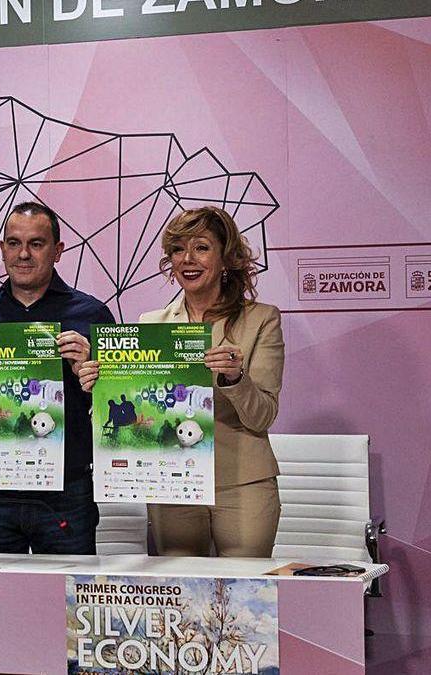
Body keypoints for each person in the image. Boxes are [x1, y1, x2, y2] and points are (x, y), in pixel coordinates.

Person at [78, 206, 285, 557]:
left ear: (226, 258)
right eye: (177, 250)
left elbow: (262, 415)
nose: (188, 259)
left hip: (241, 483)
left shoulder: (262, 320)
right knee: (179, 594)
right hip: (171, 482)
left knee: (243, 598)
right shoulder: (151, 324)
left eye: (202, 247)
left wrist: (236, 379)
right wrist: (98, 389)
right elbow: (133, 418)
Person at [0, 201, 114, 555]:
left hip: (66, 491)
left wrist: (91, 375)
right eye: (14, 243)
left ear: (58, 251)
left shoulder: (91, 313)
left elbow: (118, 413)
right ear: (2, 250)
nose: (23, 254)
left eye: (36, 243)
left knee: (66, 601)